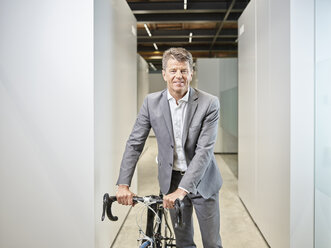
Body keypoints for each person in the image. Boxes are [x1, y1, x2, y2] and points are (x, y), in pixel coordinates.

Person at [116, 47, 223, 248]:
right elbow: (135, 143)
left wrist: (182, 190)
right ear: (164, 74)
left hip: (203, 181)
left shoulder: (209, 103)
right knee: (183, 243)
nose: (178, 76)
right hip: (171, 180)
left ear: (191, 73)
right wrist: (123, 184)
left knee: (211, 243)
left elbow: (204, 151)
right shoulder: (151, 103)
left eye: (183, 70)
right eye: (173, 70)